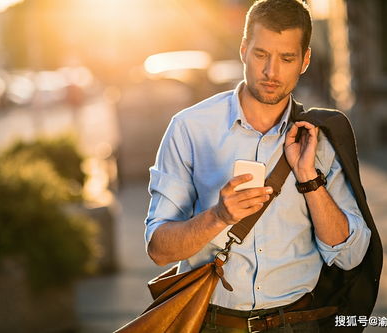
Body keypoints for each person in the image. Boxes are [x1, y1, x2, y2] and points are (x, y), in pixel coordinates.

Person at [145, 0, 373, 332]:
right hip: (211, 324)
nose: (271, 72)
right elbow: (159, 249)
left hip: (298, 323)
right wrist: (218, 216)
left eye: (287, 58)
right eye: (261, 55)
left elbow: (350, 256)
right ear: (243, 50)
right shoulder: (190, 128)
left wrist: (309, 179)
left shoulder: (321, 136)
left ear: (305, 60)